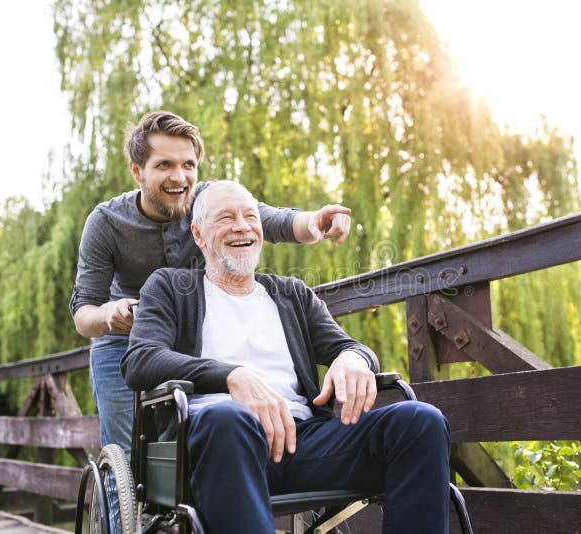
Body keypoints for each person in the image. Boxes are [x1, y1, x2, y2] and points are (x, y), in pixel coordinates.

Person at [122, 181, 451, 533]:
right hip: (217, 442)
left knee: (420, 422)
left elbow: (349, 346)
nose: (242, 226)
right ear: (199, 236)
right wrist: (232, 376)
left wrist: (354, 359)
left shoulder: (291, 294)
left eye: (250, 216)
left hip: (303, 439)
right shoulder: (170, 287)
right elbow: (141, 360)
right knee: (228, 417)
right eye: (226, 218)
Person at [70, 110, 353, 457]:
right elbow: (83, 315)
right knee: (127, 458)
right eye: (164, 165)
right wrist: (109, 314)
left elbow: (272, 220)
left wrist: (317, 222)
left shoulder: (209, 202)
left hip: (189, 338)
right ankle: (125, 509)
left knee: (192, 446)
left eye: (188, 165)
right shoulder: (105, 222)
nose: (180, 177)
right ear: (136, 171)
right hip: (123, 344)